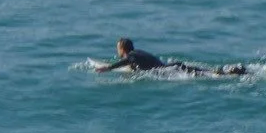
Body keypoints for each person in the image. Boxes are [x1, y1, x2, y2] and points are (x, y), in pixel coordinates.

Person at [94, 38, 247, 78]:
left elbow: (127, 61)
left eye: (117, 47)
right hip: (174, 67)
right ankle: (232, 71)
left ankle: (232, 73)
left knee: (207, 75)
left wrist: (107, 68)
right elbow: (130, 64)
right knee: (208, 73)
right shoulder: (138, 53)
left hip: (171, 70)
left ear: (122, 49)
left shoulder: (132, 56)